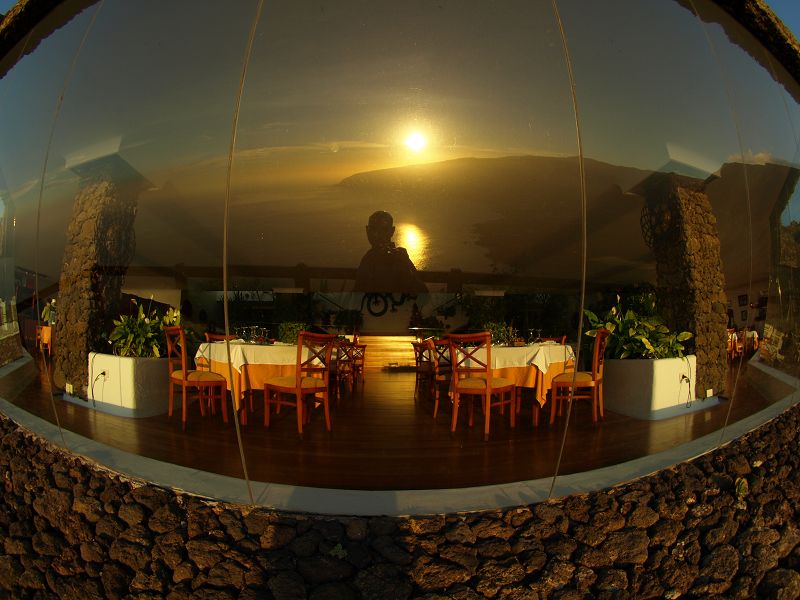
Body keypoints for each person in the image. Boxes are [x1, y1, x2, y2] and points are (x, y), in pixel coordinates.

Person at [354, 211, 427, 294]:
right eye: (374, 229)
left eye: (384, 229)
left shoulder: (399, 257)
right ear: (367, 231)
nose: (378, 234)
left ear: (392, 231)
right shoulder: (368, 259)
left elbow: (422, 293)